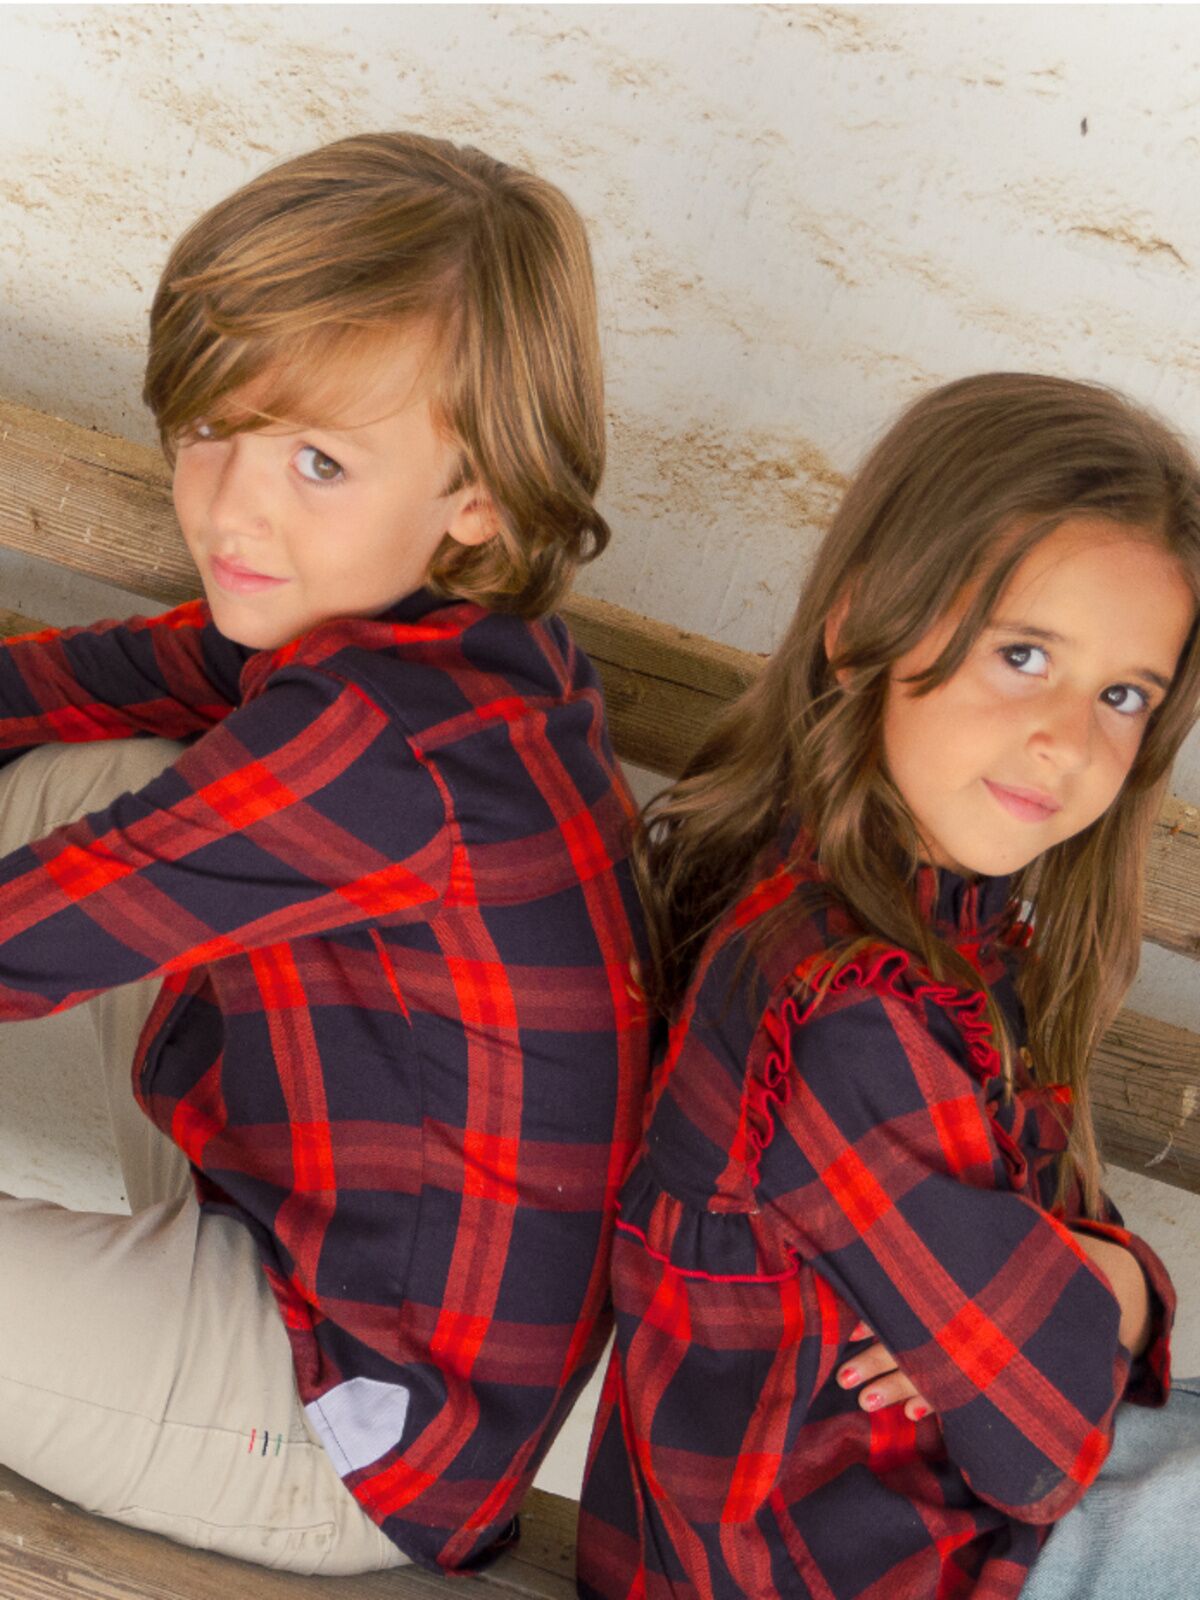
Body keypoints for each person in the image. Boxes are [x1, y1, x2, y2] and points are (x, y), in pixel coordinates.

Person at [0, 131, 649, 1577]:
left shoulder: (381, 746)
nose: (233, 505)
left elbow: (28, 938)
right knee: (107, 776)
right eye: (209, 426)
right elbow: (85, 683)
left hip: (344, 1434)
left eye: (318, 461)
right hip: (290, 1230)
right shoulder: (407, 637)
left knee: (116, 828)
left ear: (480, 495)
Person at [577, 373, 1200, 1600]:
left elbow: (1052, 1350)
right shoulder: (851, 1013)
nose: (1070, 740)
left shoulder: (935, 932)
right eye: (1024, 655)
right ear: (863, 621)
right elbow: (1037, 1439)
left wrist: (1071, 1305)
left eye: (1123, 694)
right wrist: (1109, 1291)